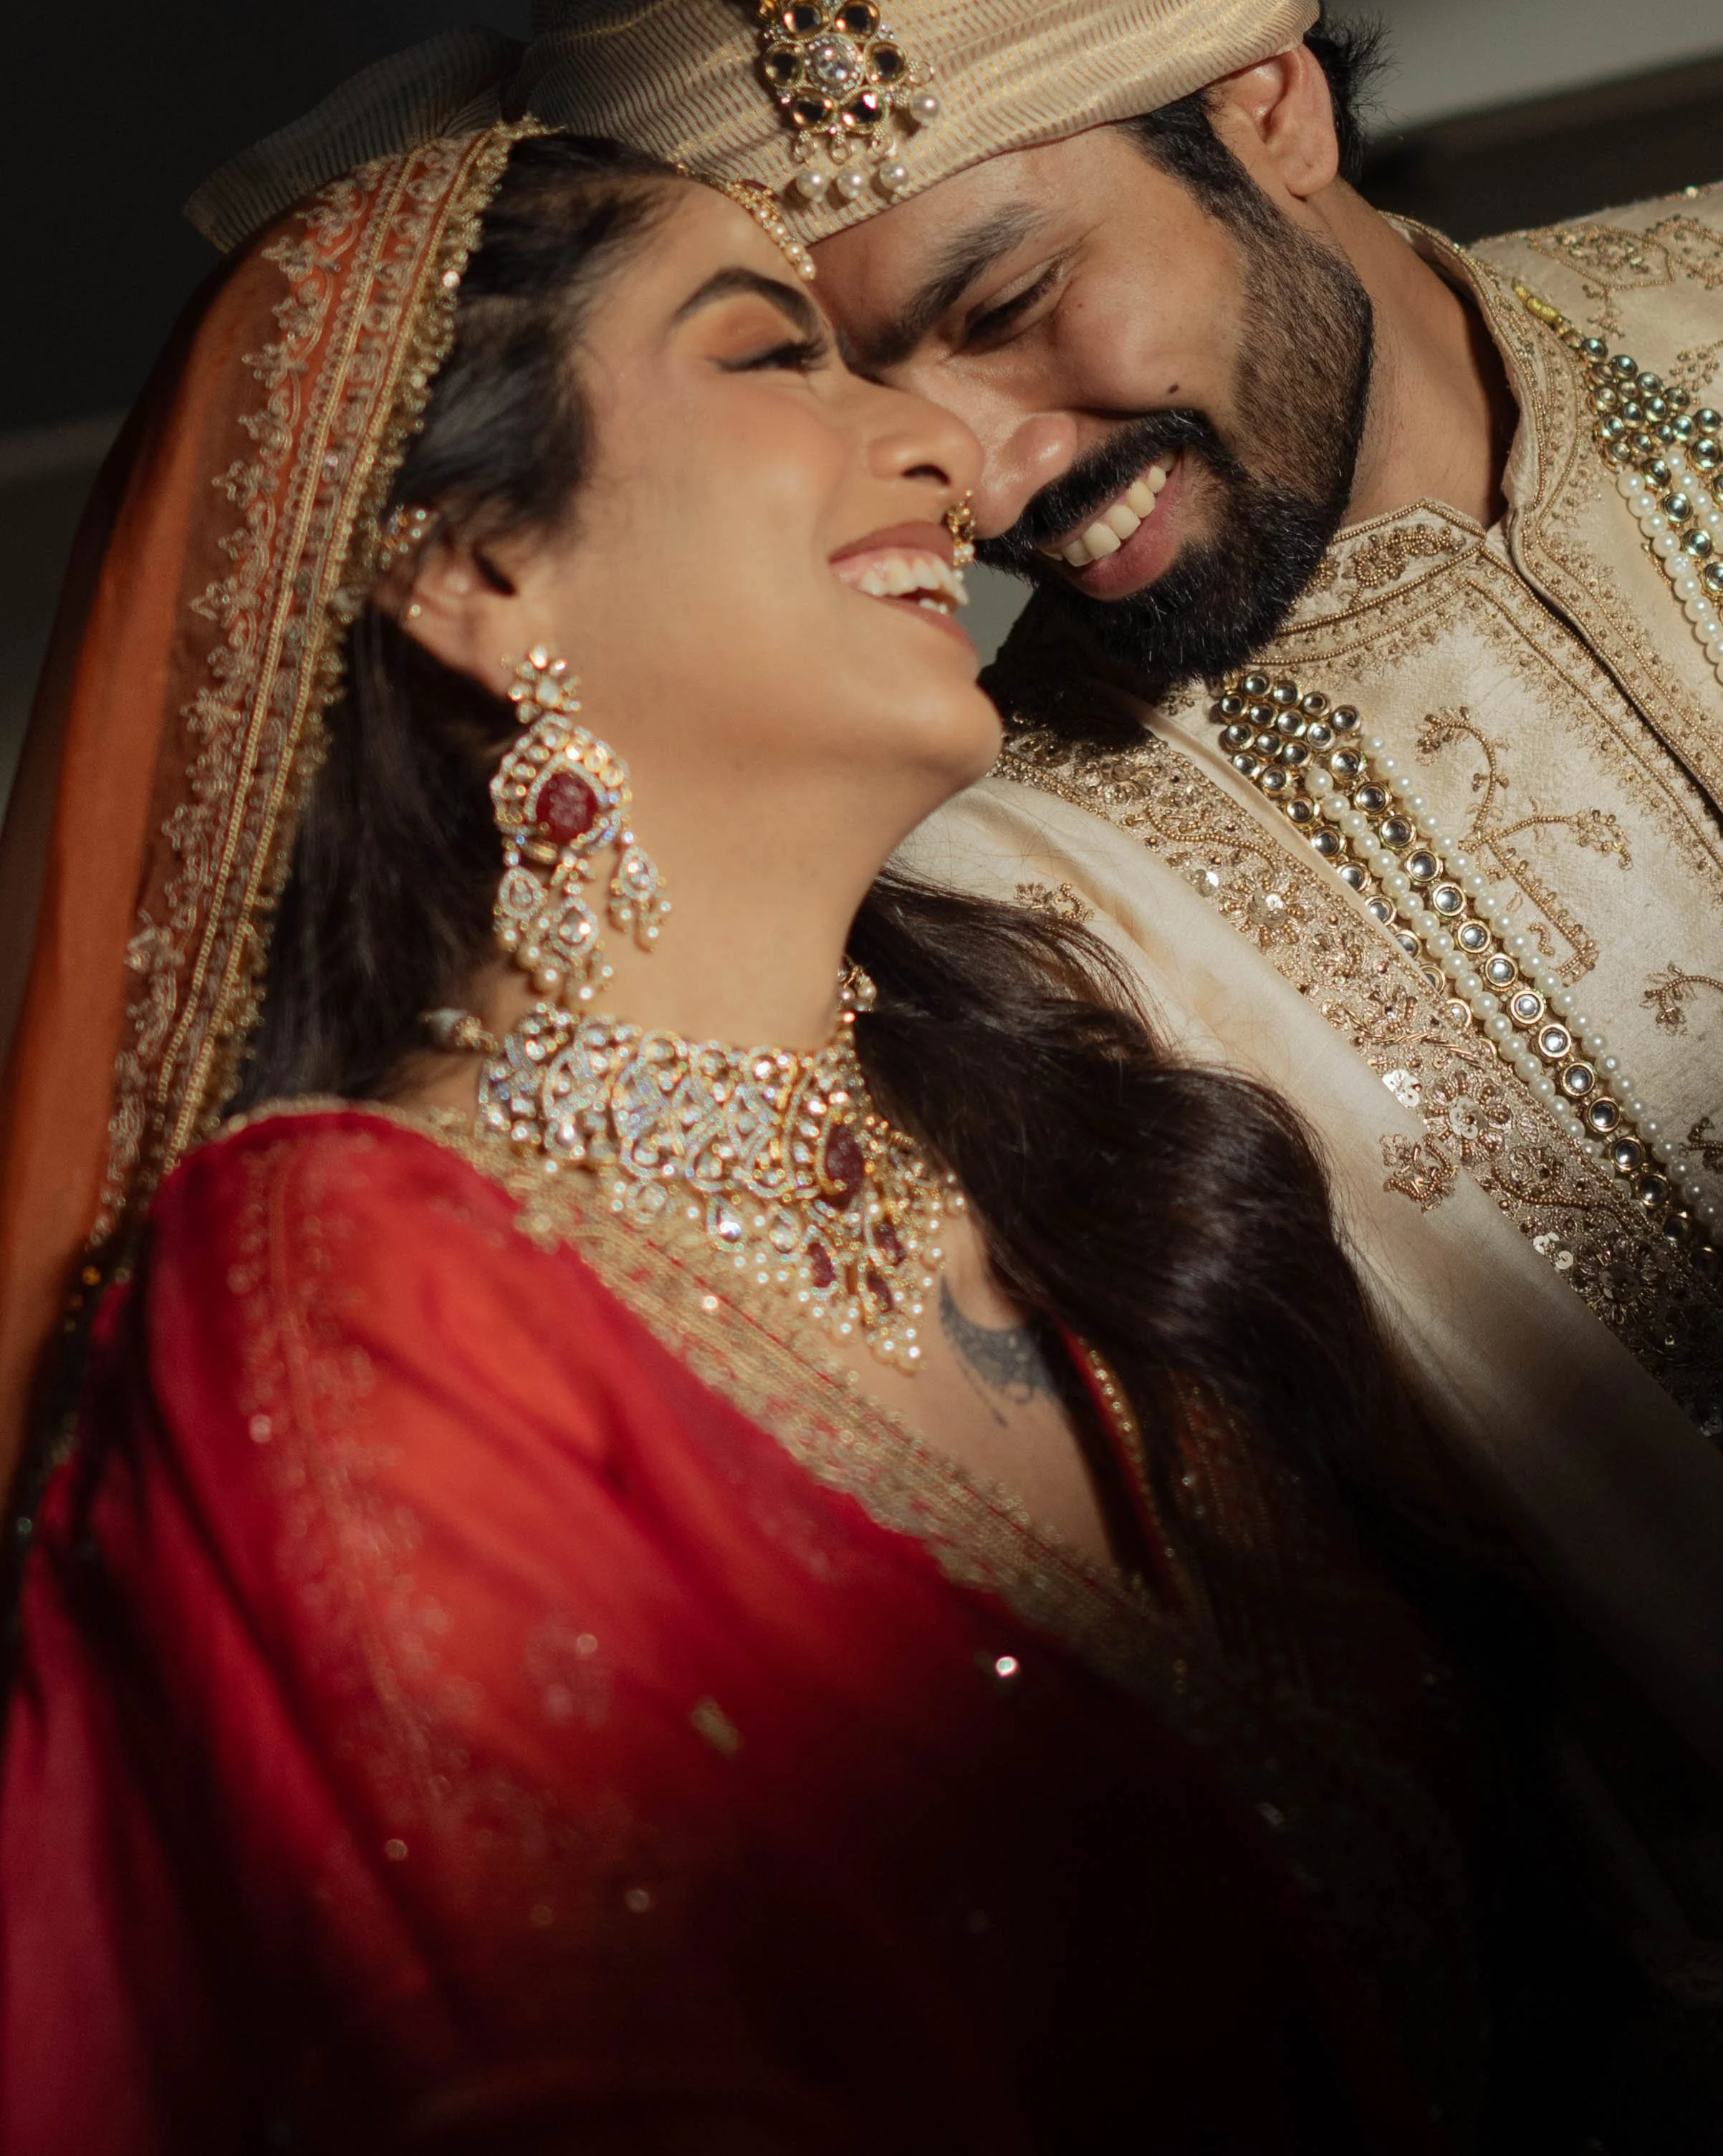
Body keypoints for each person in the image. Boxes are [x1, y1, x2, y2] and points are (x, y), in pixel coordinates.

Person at [173, 0, 1723, 1773]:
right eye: (842, 374)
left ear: (1265, 109)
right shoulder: (983, 931)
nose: (972, 470)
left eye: (1007, 300)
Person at [0, 122, 1580, 2151]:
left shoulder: (1078, 1145)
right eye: (776, 357)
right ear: (472, 562)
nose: (936, 444)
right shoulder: (349, 1269)